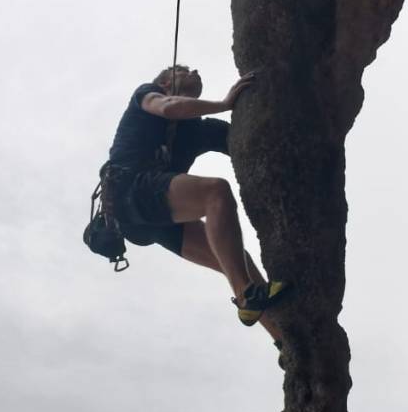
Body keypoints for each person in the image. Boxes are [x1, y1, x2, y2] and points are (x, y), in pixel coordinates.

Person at [105, 63, 291, 334]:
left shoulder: (198, 129)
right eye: (183, 70)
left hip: (152, 217)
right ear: (166, 82)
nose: (195, 71)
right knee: (215, 193)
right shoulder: (148, 94)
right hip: (130, 189)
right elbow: (167, 108)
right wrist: (225, 103)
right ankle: (245, 295)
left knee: (236, 258)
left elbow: (245, 142)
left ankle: (282, 342)